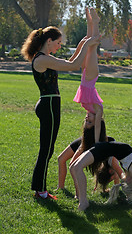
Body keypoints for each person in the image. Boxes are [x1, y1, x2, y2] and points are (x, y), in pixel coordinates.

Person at [21, 25, 100, 200]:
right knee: (46, 150)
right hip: (49, 105)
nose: (59, 46)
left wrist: (82, 44)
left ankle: (39, 187)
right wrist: (87, 44)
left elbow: (70, 62)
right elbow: (74, 65)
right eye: (58, 43)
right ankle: (40, 191)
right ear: (48, 41)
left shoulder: (46, 58)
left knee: (47, 150)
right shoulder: (42, 60)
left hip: (50, 104)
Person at [70, 141, 132, 212]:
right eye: (129, 183)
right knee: (76, 167)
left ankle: (82, 200)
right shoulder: (131, 169)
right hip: (101, 149)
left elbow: (126, 178)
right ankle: (83, 202)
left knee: (74, 167)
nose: (127, 181)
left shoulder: (129, 167)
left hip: (103, 148)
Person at [73, 8, 103, 143]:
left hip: (85, 75)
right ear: (96, 120)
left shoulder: (87, 108)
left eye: (86, 122)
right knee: (92, 46)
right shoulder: (98, 111)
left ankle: (90, 23)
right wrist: (97, 142)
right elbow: (98, 128)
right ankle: (95, 22)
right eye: (90, 121)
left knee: (87, 42)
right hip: (91, 77)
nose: (87, 119)